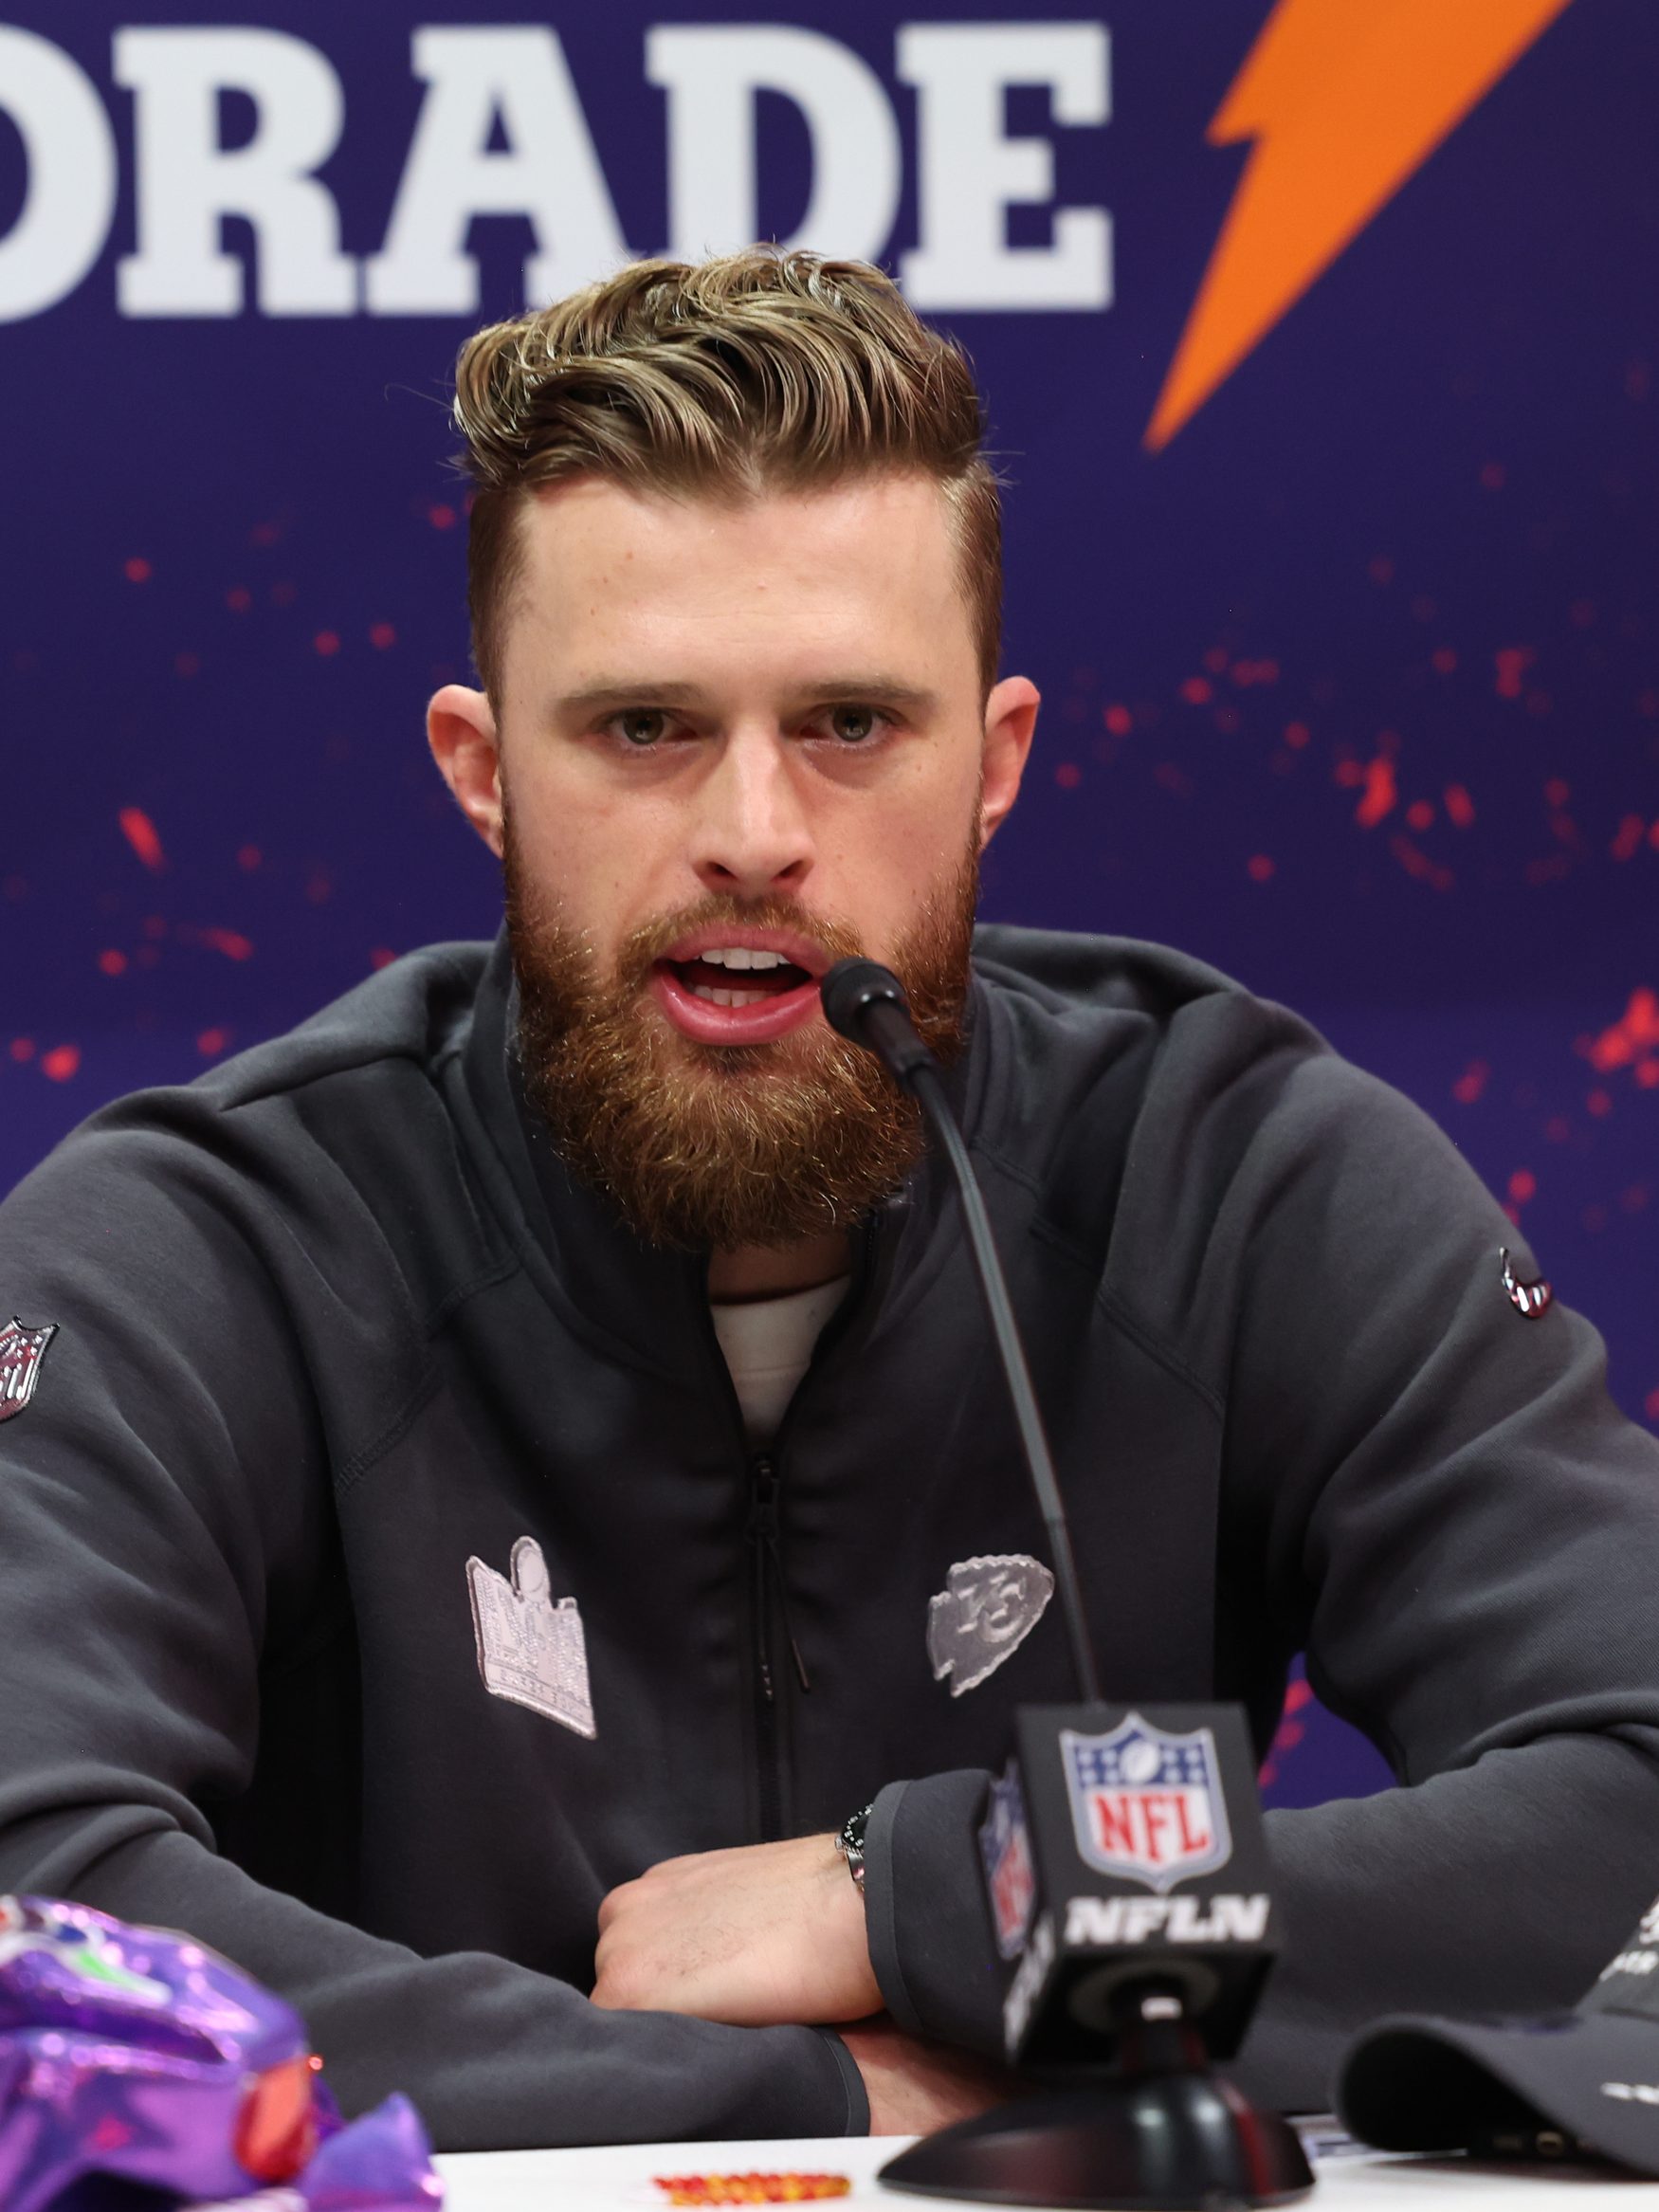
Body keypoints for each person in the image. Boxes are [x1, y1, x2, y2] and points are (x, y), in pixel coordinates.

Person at [2, 248, 1657, 2149]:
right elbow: (28, 1907)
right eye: (642, 728)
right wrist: (807, 2098)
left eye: (852, 725)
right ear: (483, 771)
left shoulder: (1229, 1179)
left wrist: (933, 1895)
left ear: (993, 764)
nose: (753, 834)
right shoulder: (212, 1248)